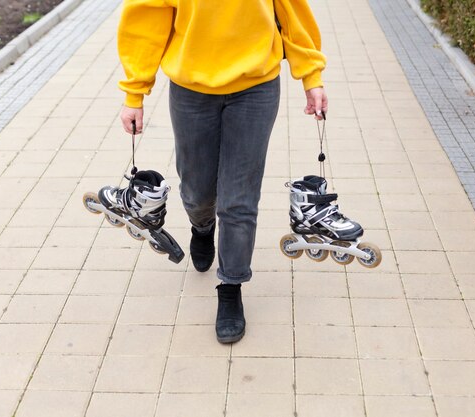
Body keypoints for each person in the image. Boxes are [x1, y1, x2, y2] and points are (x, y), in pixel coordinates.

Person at [117, 0, 328, 343]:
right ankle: (202, 227)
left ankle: (231, 285)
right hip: (191, 92)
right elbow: (146, 21)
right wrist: (134, 93)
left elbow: (293, 12)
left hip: (256, 87)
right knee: (197, 192)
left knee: (239, 200)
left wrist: (311, 77)